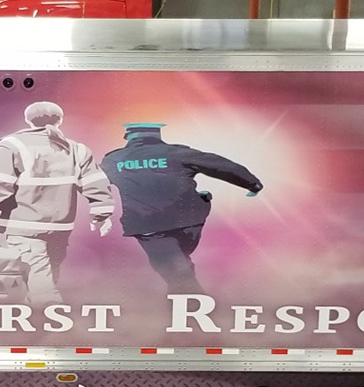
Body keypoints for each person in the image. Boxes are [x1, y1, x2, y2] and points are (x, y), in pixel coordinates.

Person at [0, 101, 115, 302]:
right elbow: (94, 183)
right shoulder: (76, 149)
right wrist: (101, 215)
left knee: (39, 284)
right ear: (60, 120)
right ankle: (37, 315)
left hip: (24, 227)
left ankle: (50, 315)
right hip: (61, 227)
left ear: (28, 120)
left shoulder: (12, 146)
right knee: (47, 277)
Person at [99, 121, 262, 294]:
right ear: (157, 135)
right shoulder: (178, 153)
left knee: (175, 272)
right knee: (178, 265)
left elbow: (90, 182)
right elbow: (220, 165)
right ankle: (187, 298)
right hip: (188, 221)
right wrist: (252, 184)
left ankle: (192, 302)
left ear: (128, 136)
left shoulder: (114, 160)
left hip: (148, 225)